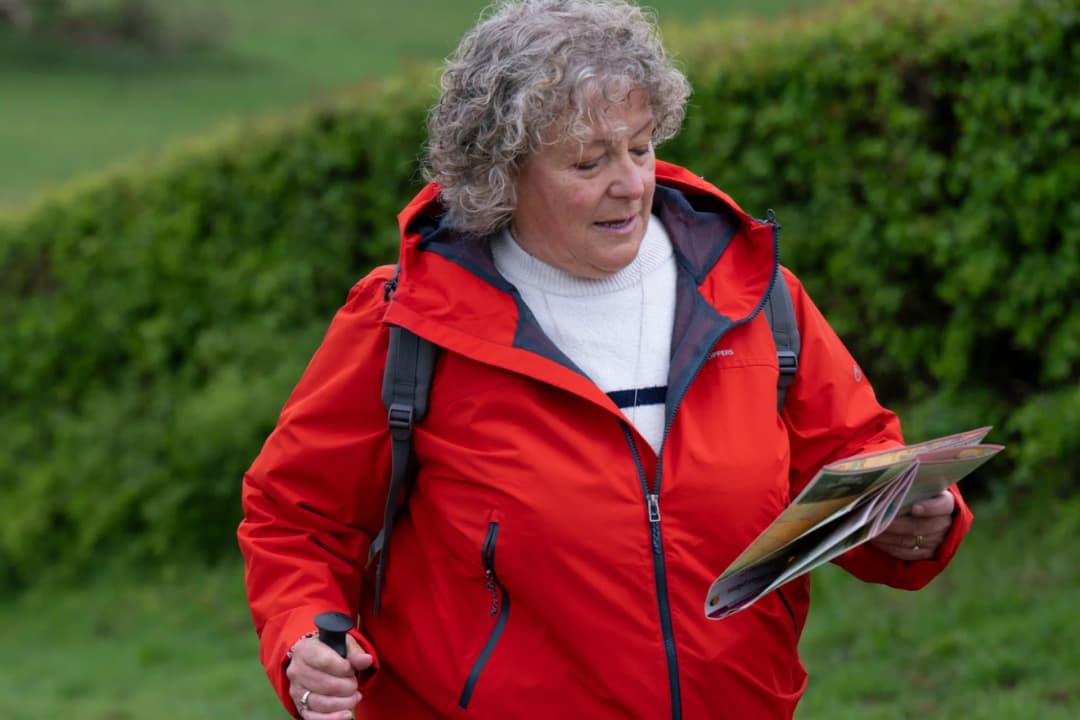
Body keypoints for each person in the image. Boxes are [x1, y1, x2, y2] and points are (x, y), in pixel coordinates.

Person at [238, 1, 973, 718]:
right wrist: (304, 635)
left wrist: (918, 520)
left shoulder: (754, 296)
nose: (630, 184)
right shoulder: (409, 320)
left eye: (641, 147)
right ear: (503, 173)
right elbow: (294, 518)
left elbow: (858, 455)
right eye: (588, 161)